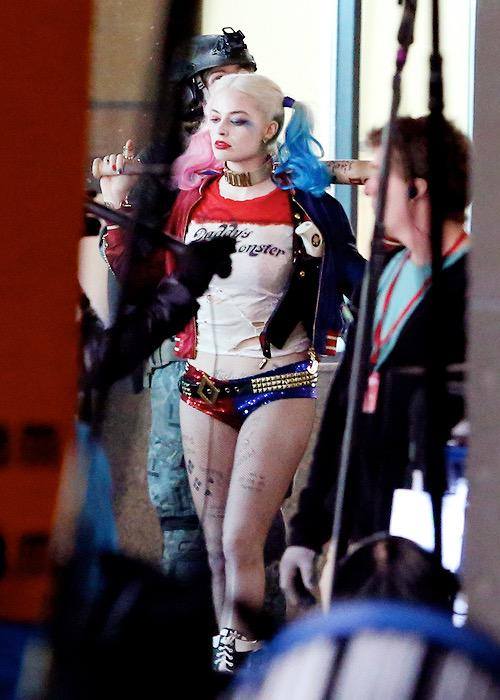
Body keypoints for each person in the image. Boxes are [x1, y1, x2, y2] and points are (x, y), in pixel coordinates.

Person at [166, 72, 364, 672]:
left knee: (239, 538)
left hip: (277, 385)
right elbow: (143, 274)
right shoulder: (191, 201)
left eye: (240, 120)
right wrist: (120, 207)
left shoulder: (309, 206)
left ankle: (249, 662)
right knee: (214, 546)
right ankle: (227, 658)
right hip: (201, 385)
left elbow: (358, 280)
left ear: (272, 129)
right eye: (213, 119)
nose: (221, 132)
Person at [280, 116, 470, 605]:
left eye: (380, 176)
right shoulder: (384, 275)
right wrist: (308, 530)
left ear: (417, 190)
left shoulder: (474, 287)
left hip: (436, 536)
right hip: (364, 527)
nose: (365, 189)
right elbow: (343, 408)